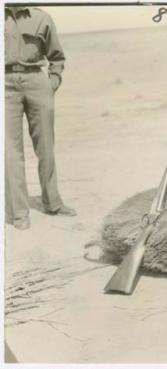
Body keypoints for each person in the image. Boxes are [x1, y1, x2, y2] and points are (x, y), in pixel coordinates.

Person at [5, 6, 77, 230]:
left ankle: (53, 203)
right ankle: (19, 213)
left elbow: (56, 56)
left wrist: (52, 82)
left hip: (37, 80)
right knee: (9, 151)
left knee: (45, 146)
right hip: (4, 84)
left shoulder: (41, 17)